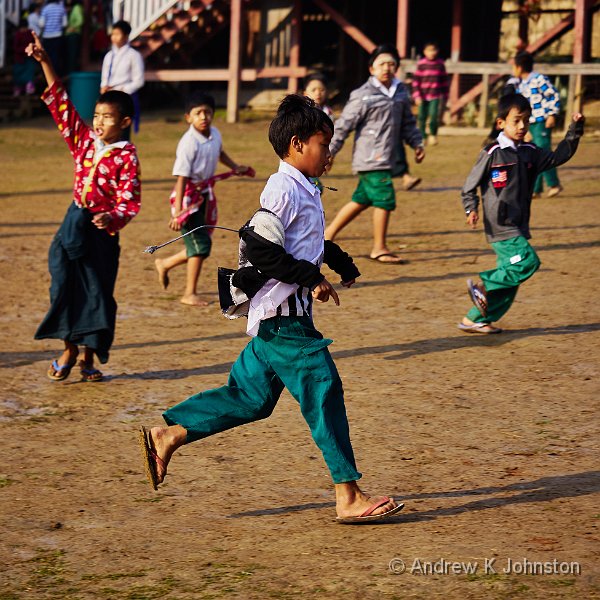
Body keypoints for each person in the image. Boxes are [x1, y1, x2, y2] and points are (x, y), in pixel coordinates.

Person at [139, 95, 404, 523]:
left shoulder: (305, 187)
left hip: (274, 324)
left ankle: (168, 434)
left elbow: (307, 243)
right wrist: (311, 278)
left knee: (251, 398)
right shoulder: (283, 188)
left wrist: (338, 262)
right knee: (324, 394)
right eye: (324, 144)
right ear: (297, 144)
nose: (330, 153)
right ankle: (348, 495)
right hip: (287, 325)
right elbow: (261, 248)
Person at [27, 31, 141, 381]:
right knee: (63, 285)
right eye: (96, 115)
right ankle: (68, 347)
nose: (98, 121)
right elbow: (60, 102)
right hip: (73, 224)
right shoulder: (83, 142)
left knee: (97, 294)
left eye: (106, 117)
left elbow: (130, 199)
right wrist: (45, 61)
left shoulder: (127, 156)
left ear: (123, 122)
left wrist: (113, 216)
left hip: (102, 233)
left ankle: (88, 358)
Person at [459, 93, 584, 334]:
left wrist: (575, 129)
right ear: (501, 123)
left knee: (511, 281)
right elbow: (468, 186)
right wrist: (470, 208)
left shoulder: (530, 151)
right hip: (499, 223)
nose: (522, 126)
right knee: (528, 261)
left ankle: (474, 319)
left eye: (526, 120)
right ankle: (484, 287)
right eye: (516, 120)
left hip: (518, 223)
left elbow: (560, 156)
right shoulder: (492, 152)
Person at [325, 44, 425, 264]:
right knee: (385, 197)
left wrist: (417, 143)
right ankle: (379, 248)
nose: (387, 68)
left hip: (387, 157)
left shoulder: (400, 92)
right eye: (382, 64)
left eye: (391, 64)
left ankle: (326, 236)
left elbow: (408, 122)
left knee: (362, 199)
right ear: (372, 69)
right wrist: (330, 151)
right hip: (369, 157)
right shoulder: (363, 95)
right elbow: (344, 125)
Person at [154, 91, 253, 306]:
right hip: (188, 198)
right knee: (201, 244)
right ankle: (189, 292)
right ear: (188, 117)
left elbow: (220, 153)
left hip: (205, 195)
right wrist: (179, 210)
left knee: (200, 242)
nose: (203, 116)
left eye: (207, 112)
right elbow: (182, 178)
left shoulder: (215, 133)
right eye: (198, 113)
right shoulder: (188, 143)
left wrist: (236, 168)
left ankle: (165, 263)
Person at [512, 51, 562, 198]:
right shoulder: (521, 84)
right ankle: (536, 189)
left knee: (543, 152)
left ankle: (554, 184)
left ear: (520, 67)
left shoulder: (539, 79)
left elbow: (553, 95)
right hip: (529, 124)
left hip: (541, 122)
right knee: (532, 155)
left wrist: (552, 114)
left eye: (513, 66)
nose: (512, 70)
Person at [100, 20, 145, 135]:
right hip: (109, 96)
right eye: (112, 34)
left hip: (124, 97)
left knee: (122, 132)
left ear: (125, 36)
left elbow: (139, 81)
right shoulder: (109, 56)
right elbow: (105, 76)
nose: (114, 37)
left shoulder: (133, 55)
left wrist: (122, 89)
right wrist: (103, 87)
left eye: (117, 34)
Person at [412, 41, 448, 146]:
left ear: (437, 51)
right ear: (424, 52)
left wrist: (445, 95)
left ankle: (433, 135)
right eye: (429, 50)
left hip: (434, 95)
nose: (431, 53)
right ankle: (423, 136)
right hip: (422, 96)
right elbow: (415, 81)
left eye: (433, 50)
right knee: (422, 117)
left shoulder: (440, 64)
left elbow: (444, 81)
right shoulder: (421, 64)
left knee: (434, 115)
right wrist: (416, 95)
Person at [39, 0, 67, 75]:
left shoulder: (45, 9)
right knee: (56, 57)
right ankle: (55, 74)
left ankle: (47, 74)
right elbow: (65, 24)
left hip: (47, 36)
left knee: (47, 56)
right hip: (58, 36)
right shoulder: (61, 9)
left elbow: (41, 24)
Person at [12, 17, 36, 96]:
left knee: (30, 69)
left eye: (24, 28)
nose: (23, 30)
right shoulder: (17, 35)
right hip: (19, 58)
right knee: (17, 73)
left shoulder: (30, 33)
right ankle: (18, 89)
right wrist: (24, 50)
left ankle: (29, 88)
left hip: (29, 57)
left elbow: (33, 44)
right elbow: (15, 48)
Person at [65, 0, 84, 74]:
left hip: (74, 35)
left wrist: (72, 27)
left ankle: (72, 73)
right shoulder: (73, 8)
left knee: (72, 56)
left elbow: (80, 20)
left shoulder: (77, 7)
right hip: (71, 35)